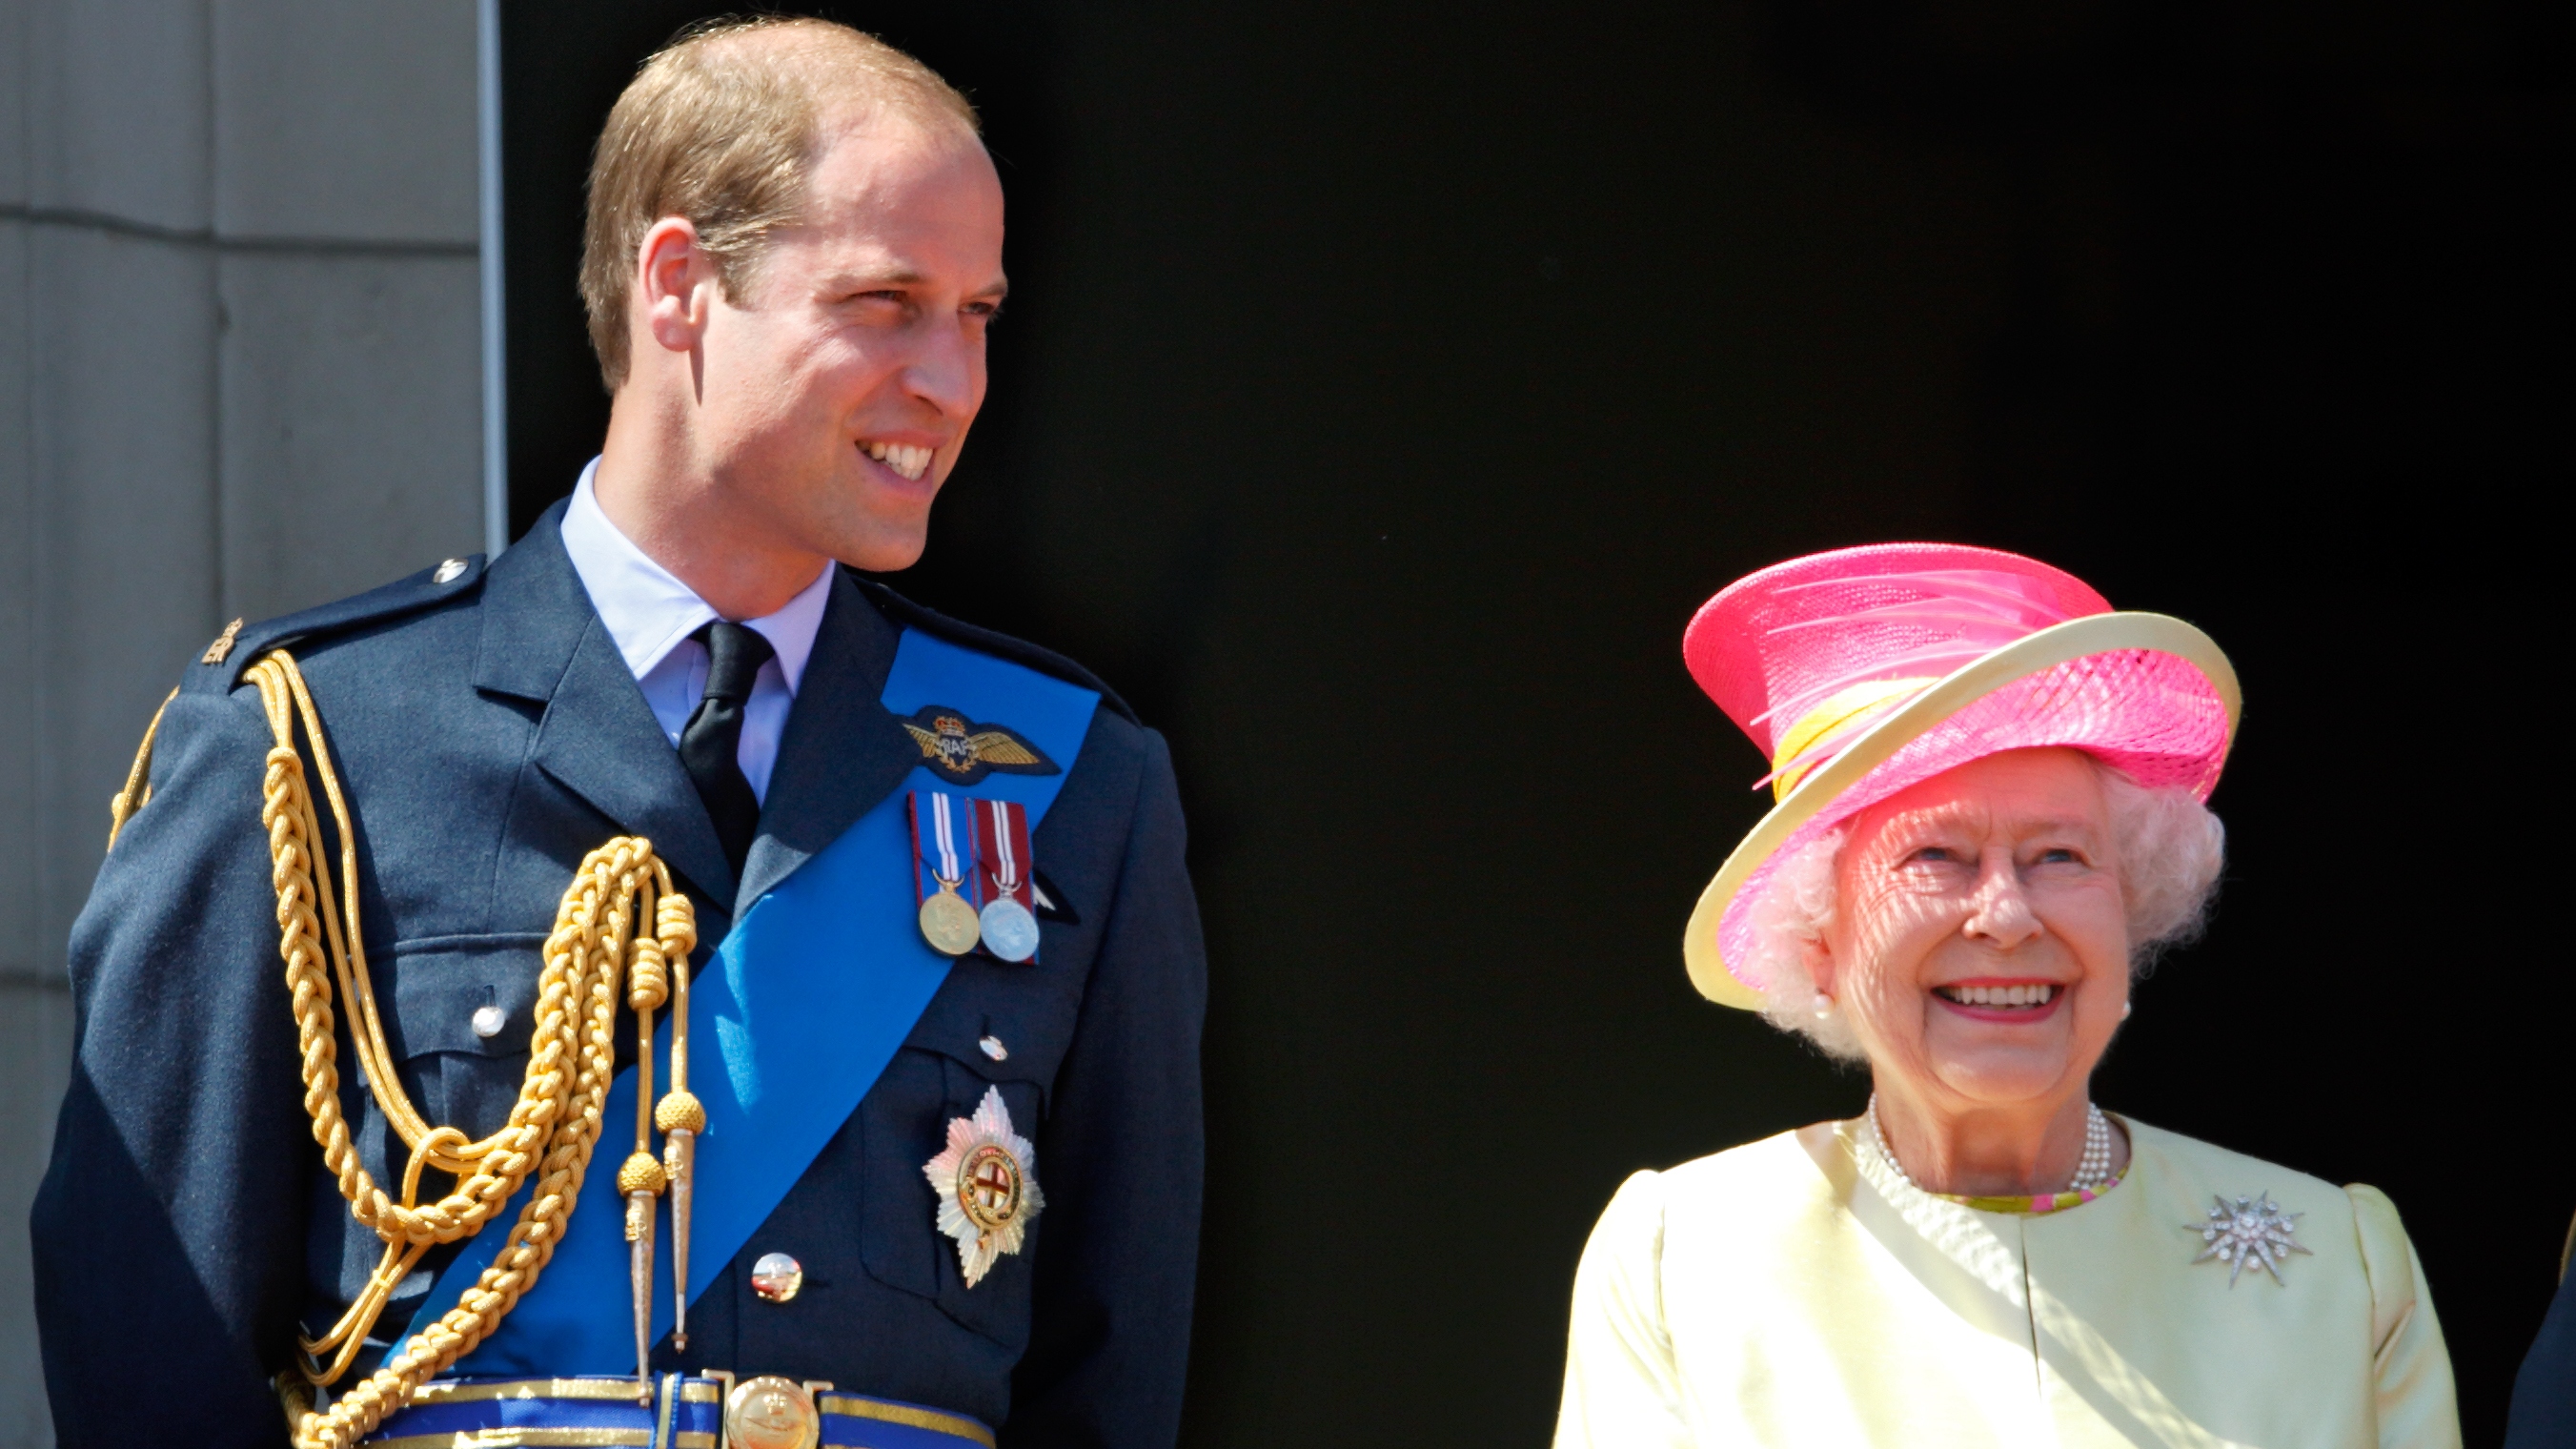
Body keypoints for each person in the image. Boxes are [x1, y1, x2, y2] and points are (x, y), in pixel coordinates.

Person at [31, 18, 1205, 1449]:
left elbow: (1114, 1378)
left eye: (976, 313)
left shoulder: (1076, 785)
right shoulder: (305, 750)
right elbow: (147, 1358)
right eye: (886, 299)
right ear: (678, 287)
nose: (951, 382)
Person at [1552, 543, 2459, 1447]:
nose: (2005, 915)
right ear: (1817, 942)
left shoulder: (2339, 1263)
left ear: (2128, 915)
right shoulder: (1684, 1253)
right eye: (1934, 856)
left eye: (2058, 857)